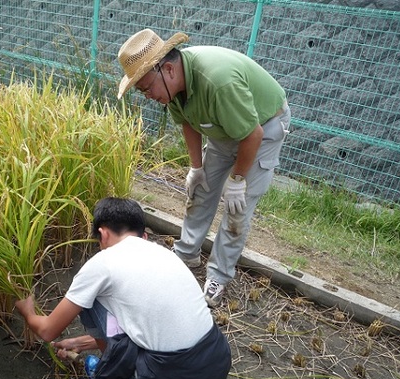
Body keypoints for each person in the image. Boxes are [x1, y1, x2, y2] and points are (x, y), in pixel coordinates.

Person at [117, 29, 291, 307]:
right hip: (223, 127)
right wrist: (196, 168)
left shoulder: (218, 83)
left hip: (263, 125)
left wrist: (237, 180)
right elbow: (189, 123)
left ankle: (219, 276)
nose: (148, 96)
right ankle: (187, 253)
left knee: (237, 208)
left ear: (169, 69)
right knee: (200, 191)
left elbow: (252, 135)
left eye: (147, 87)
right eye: (141, 91)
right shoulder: (174, 90)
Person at [15, 197, 231, 379]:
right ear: (143, 236)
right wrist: (83, 342)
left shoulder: (102, 264)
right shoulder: (164, 253)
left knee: (91, 301)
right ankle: (119, 368)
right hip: (214, 365)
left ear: (103, 234)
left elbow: (47, 331)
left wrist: (27, 311)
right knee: (117, 300)